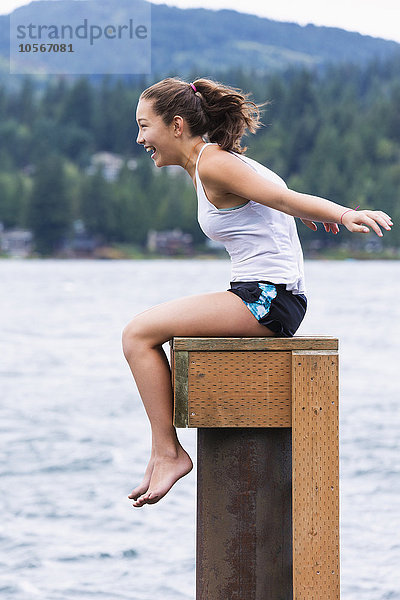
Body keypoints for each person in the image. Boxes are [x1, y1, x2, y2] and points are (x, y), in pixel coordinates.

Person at [122, 77, 393, 508]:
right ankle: (165, 450)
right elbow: (274, 201)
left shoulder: (213, 164)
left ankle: (167, 452)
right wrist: (300, 218)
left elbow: (284, 199)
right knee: (145, 332)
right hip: (265, 294)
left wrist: (343, 214)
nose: (139, 138)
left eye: (144, 126)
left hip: (266, 298)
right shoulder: (212, 163)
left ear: (176, 125)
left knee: (137, 334)